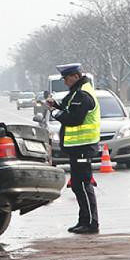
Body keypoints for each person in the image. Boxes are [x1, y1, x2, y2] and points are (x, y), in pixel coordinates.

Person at [46, 63, 100, 234]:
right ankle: (84, 220)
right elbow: (68, 107)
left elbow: (74, 118)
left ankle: (90, 223)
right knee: (77, 185)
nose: (65, 82)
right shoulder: (77, 92)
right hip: (78, 148)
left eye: (67, 78)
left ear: (76, 76)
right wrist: (56, 105)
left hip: (83, 147)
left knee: (83, 184)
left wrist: (54, 113)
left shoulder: (83, 94)